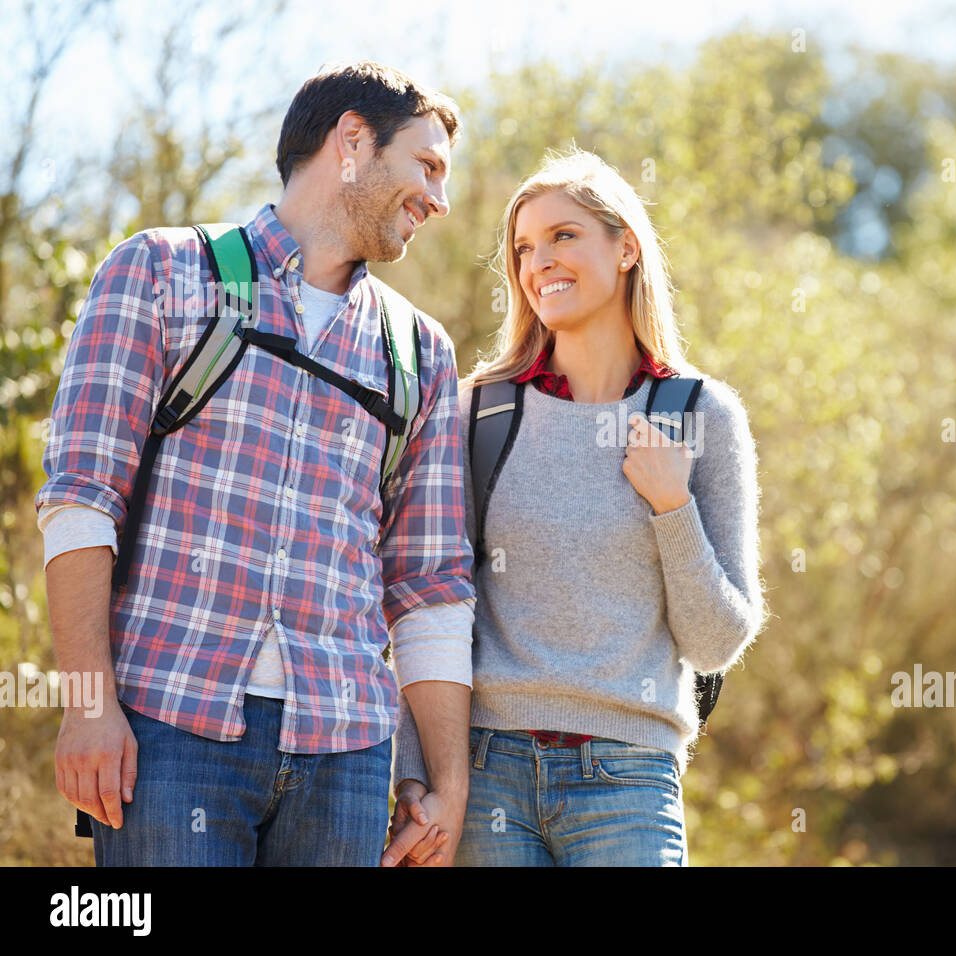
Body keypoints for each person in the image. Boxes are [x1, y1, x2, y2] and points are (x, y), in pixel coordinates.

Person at [36, 61, 477, 866]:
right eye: (427, 165)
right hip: (169, 726)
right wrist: (87, 705)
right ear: (352, 141)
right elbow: (80, 499)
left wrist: (440, 779)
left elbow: (430, 584)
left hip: (347, 754)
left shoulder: (420, 353)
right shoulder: (162, 273)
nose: (439, 200)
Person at [382, 146, 767, 867]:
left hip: (629, 779)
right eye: (524, 247)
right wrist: (418, 769)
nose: (539, 263)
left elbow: (715, 642)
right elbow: (425, 602)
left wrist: (672, 505)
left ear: (625, 248)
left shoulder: (700, 414)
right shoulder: (482, 414)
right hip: (487, 771)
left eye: (564, 236)